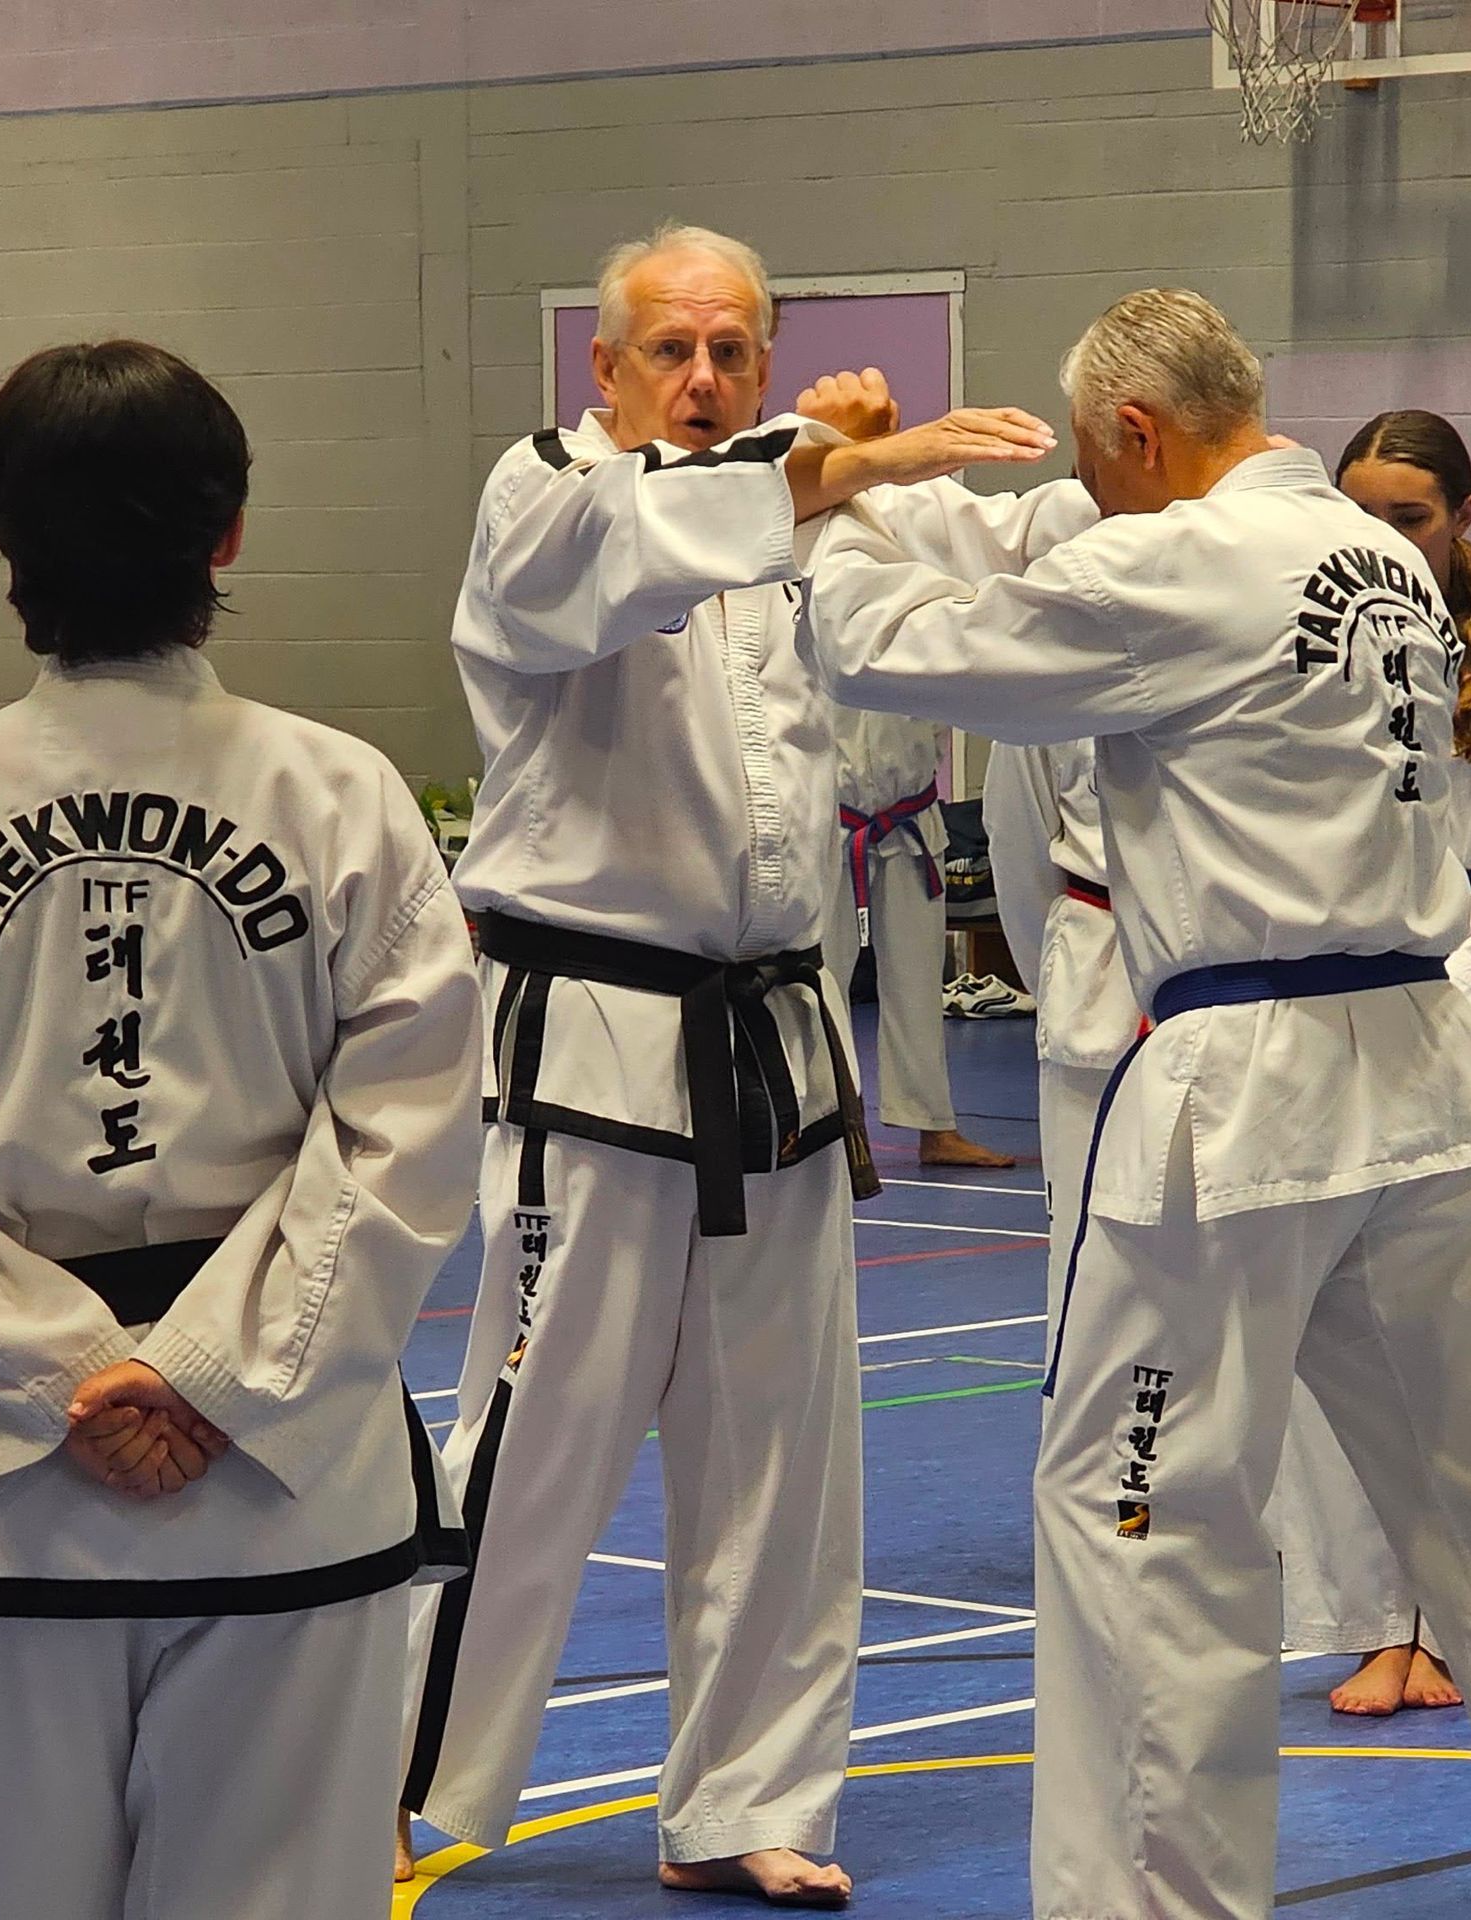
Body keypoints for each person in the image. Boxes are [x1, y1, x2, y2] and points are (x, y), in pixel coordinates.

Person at [803, 288, 1471, 1920]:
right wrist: (909, 482)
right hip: (1428, 1090)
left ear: (1141, 439)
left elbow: (886, 643)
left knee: (1140, 1519)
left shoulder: (1180, 564)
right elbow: (1050, 570)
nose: (1095, 508)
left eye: (1101, 473)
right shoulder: (1376, 560)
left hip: (1243, 1114)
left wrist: (836, 495)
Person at [394, 221, 1058, 1907]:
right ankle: (392, 1772)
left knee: (785, 1453)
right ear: (602, 368)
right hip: (597, 1047)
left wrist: (883, 476)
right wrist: (828, 461)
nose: (702, 379)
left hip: (775, 1033)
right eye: (670, 351)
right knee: (532, 1435)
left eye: (735, 354)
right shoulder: (542, 495)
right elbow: (644, 549)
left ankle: (748, 1803)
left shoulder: (793, 512)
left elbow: (984, 566)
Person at [0, 340, 483, 1920]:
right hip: (286, 1467)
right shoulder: (338, 797)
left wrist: (64, 1376)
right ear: (229, 536)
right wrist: (206, 1380)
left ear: (3, 548)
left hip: (20, 1481)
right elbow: (409, 1140)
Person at [1271, 407, 1471, 1717]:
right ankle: (1368, 1621)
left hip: (1463, 1044)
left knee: (1466, 1360)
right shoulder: (1302, 668)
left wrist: (1439, 1020)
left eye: (1409, 516)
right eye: (1358, 513)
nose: (1381, 536)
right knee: (1338, 1348)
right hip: (1328, 1031)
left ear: (1458, 524)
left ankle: (1455, 1625)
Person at [982, 739, 1140, 1337]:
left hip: (1258, 986)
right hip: (1103, 984)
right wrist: (1053, 976)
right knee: (1094, 1283)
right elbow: (1016, 835)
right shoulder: (1048, 652)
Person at [826, 704, 1015, 1169]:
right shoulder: (804, 632)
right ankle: (829, 1133)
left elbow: (937, 713)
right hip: (829, 825)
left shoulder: (909, 633)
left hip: (912, 819)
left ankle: (935, 1129)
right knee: (822, 985)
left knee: (919, 986)